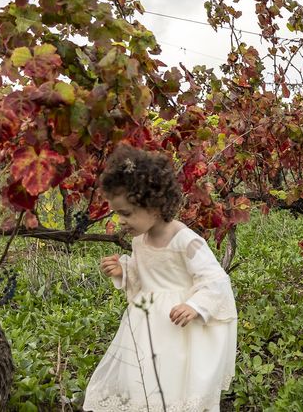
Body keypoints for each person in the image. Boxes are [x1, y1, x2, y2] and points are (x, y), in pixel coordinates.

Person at [83, 145, 237, 411]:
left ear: (154, 206)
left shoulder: (185, 241)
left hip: (178, 328)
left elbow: (216, 279)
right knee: (142, 378)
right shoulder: (140, 241)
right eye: (117, 213)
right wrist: (125, 270)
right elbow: (148, 278)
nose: (120, 221)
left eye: (126, 213)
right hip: (145, 324)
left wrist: (195, 306)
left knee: (174, 380)